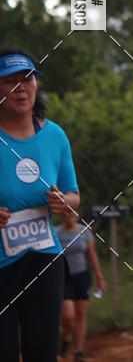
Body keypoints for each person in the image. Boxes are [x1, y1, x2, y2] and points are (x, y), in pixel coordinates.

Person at [0, 48, 80, 362]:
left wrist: (64, 202)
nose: (21, 88)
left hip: (44, 259)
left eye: (28, 78)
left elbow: (74, 197)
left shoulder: (55, 136)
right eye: (9, 81)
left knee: (42, 353)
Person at [56, 206, 105, 360]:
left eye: (71, 213)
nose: (69, 216)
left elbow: (92, 255)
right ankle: (67, 337)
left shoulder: (84, 232)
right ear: (62, 216)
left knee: (81, 314)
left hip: (83, 276)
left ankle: (79, 350)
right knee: (68, 315)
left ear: (76, 215)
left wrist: (99, 278)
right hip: (65, 278)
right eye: (65, 214)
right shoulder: (57, 233)